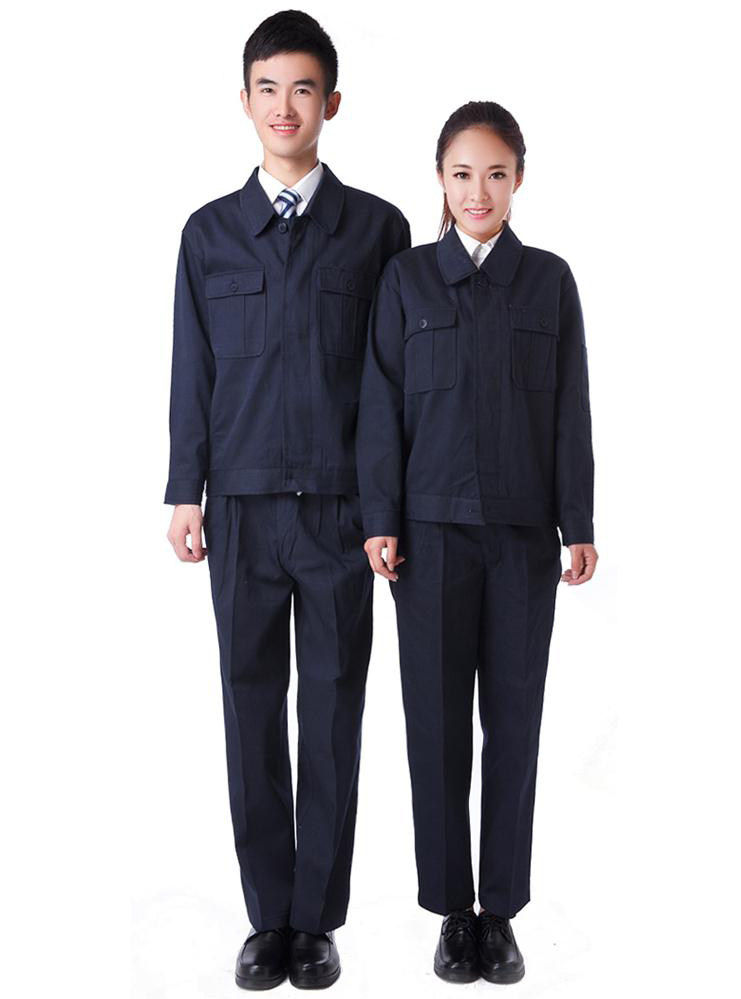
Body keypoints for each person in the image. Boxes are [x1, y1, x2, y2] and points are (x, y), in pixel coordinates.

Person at [163, 11, 410, 990]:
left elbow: (393, 385)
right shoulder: (209, 234)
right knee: (251, 709)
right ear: (244, 101)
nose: (284, 106)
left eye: (303, 88)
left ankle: (317, 921)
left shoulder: (378, 230)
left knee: (335, 714)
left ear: (331, 103)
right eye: (268, 88)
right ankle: (268, 917)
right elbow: (192, 369)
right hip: (242, 511)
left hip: (345, 513)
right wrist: (186, 491)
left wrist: (387, 509)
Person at [355, 100, 598, 985]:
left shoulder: (549, 282)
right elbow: (379, 405)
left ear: (519, 177)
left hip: (524, 539)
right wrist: (380, 517)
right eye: (462, 174)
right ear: (440, 180)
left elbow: (570, 409)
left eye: (496, 173)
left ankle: (500, 913)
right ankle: (452, 911)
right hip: (427, 541)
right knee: (436, 727)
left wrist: (579, 522)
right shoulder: (407, 280)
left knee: (515, 724)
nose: (479, 191)